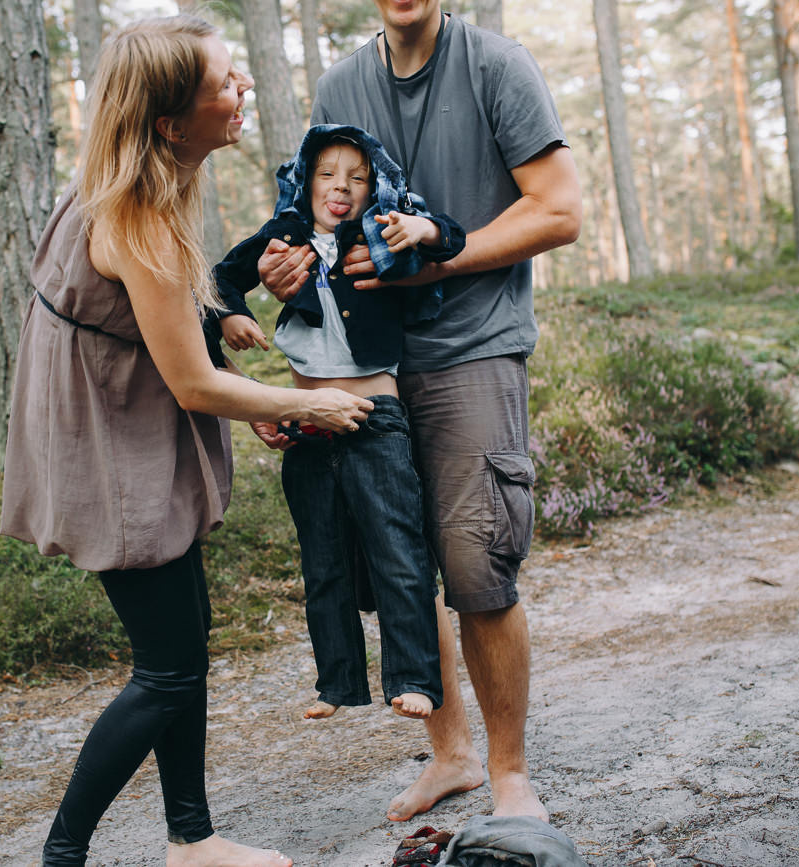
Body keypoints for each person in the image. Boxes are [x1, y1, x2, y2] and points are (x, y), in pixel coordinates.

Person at [0, 16, 373, 867]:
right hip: (112, 450)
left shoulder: (132, 182)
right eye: (226, 84)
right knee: (165, 668)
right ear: (170, 122)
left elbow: (159, 325)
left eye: (239, 76)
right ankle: (63, 855)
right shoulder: (139, 218)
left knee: (182, 644)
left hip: (122, 428)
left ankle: (192, 841)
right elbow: (194, 386)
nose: (242, 94)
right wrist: (308, 404)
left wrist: (223, 319)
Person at [256, 0, 583, 824]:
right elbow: (314, 221)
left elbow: (559, 210)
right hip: (369, 371)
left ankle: (511, 776)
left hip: (473, 347)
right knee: (401, 566)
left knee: (476, 563)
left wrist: (432, 259)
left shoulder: (497, 67)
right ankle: (452, 755)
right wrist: (286, 273)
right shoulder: (339, 84)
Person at [208, 124, 466, 721]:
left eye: (358, 176)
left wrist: (420, 228)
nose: (341, 187)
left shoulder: (383, 231)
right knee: (322, 561)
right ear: (305, 179)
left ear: (375, 186)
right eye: (327, 174)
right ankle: (337, 683)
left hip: (376, 417)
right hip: (304, 424)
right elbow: (219, 278)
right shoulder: (282, 239)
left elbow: (448, 238)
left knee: (398, 551)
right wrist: (231, 317)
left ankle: (414, 679)